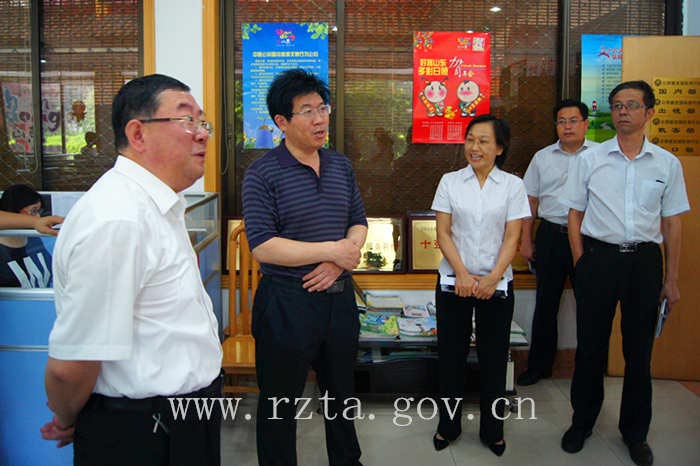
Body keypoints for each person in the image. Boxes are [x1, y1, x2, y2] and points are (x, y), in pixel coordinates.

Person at [41, 74, 223, 466]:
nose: (202, 134)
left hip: (185, 417)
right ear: (138, 134)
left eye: (202, 121)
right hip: (143, 430)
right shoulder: (117, 219)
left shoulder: (156, 205)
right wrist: (70, 418)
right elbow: (71, 366)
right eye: (186, 120)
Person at [242, 68, 367, 466]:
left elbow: (359, 222)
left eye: (323, 108)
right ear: (282, 121)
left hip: (338, 300)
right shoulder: (262, 173)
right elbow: (264, 246)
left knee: (342, 396)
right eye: (307, 111)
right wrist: (332, 251)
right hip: (286, 304)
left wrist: (338, 260)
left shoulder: (340, 166)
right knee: (279, 405)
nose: (319, 119)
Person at [561, 80, 690, 466]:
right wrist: (581, 262)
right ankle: (582, 422)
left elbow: (673, 223)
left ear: (649, 112)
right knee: (590, 348)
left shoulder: (666, 164)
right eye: (617, 105)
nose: (622, 111)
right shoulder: (591, 159)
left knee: (639, 352)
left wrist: (672, 278)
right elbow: (574, 214)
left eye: (632, 105)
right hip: (598, 259)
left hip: (644, 263)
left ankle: (635, 433)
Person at [430, 115, 530, 456]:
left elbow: (512, 237)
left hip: (496, 285)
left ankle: (493, 430)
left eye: (484, 141)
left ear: (499, 148)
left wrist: (492, 278)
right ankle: (448, 426)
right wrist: (461, 273)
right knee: (451, 358)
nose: (475, 147)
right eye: (470, 139)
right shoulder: (450, 181)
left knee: (493, 359)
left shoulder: (513, 186)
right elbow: (443, 232)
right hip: (453, 282)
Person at [517, 99, 598, 386]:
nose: (567, 126)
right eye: (561, 121)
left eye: (573, 120)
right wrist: (526, 240)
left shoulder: (600, 156)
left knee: (591, 304)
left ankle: (589, 368)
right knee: (546, 303)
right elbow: (530, 201)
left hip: (589, 238)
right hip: (551, 235)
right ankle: (539, 366)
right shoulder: (542, 158)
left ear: (586, 124)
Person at [0, 184, 52, 287]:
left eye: (39, 211)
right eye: (33, 211)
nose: (38, 217)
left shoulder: (33, 238)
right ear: (12, 211)